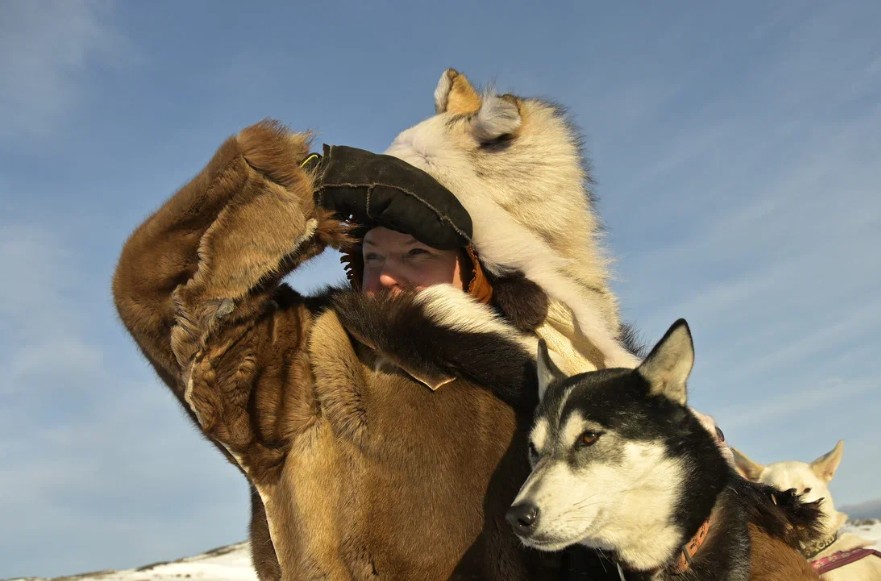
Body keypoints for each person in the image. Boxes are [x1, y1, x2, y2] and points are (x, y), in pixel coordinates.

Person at [113, 70, 634, 581]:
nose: (387, 275)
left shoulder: (559, 373)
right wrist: (281, 195)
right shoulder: (308, 361)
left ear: (472, 266)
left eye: (415, 253)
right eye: (372, 255)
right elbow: (157, 296)